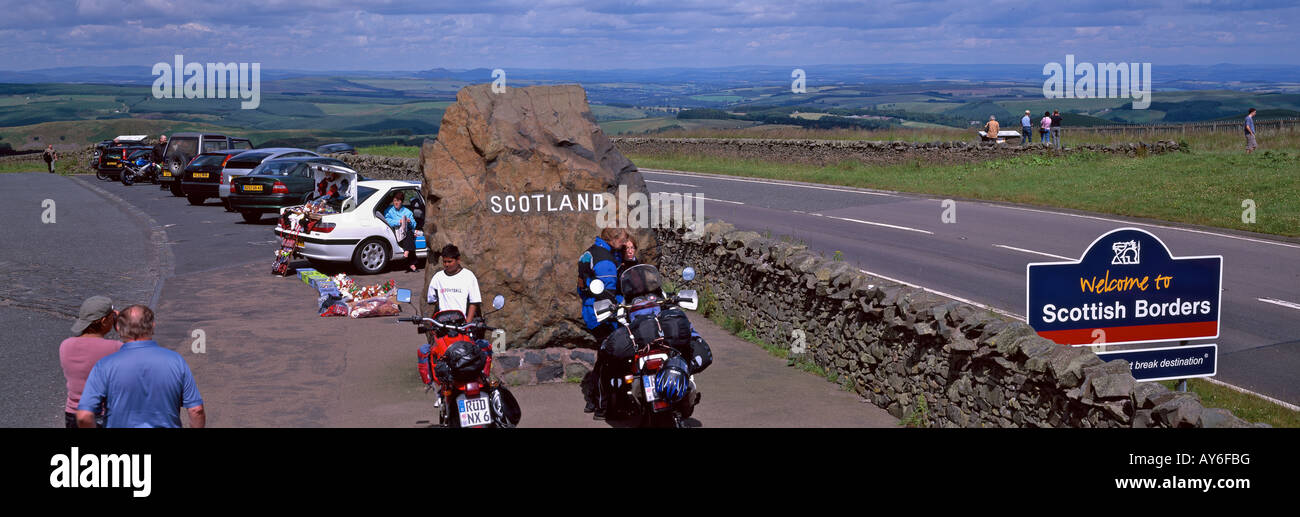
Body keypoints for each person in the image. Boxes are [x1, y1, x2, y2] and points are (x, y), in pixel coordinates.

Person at [77, 305, 205, 428]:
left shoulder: (104, 366)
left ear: (118, 328)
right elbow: (196, 410)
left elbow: (84, 416)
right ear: (153, 326)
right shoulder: (176, 361)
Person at [578, 227, 628, 417]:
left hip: (590, 310)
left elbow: (581, 286)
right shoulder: (605, 260)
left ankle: (594, 399)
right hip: (601, 314)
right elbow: (608, 294)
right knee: (609, 359)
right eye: (622, 240)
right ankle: (602, 405)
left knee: (604, 356)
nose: (624, 244)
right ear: (613, 239)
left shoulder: (589, 253)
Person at [59, 296, 122, 428]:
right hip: (103, 414)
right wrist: (122, 330)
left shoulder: (65, 345)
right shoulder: (116, 348)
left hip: (73, 413)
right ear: (104, 321)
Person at [384, 192, 420, 272]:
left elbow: (414, 224)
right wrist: (398, 222)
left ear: (402, 201)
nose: (396, 202)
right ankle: (412, 263)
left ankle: (407, 253)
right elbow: (387, 221)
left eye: (398, 201)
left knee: (409, 233)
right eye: (394, 201)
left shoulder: (408, 212)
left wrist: (409, 221)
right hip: (394, 232)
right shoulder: (389, 210)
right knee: (409, 236)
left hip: (405, 232)